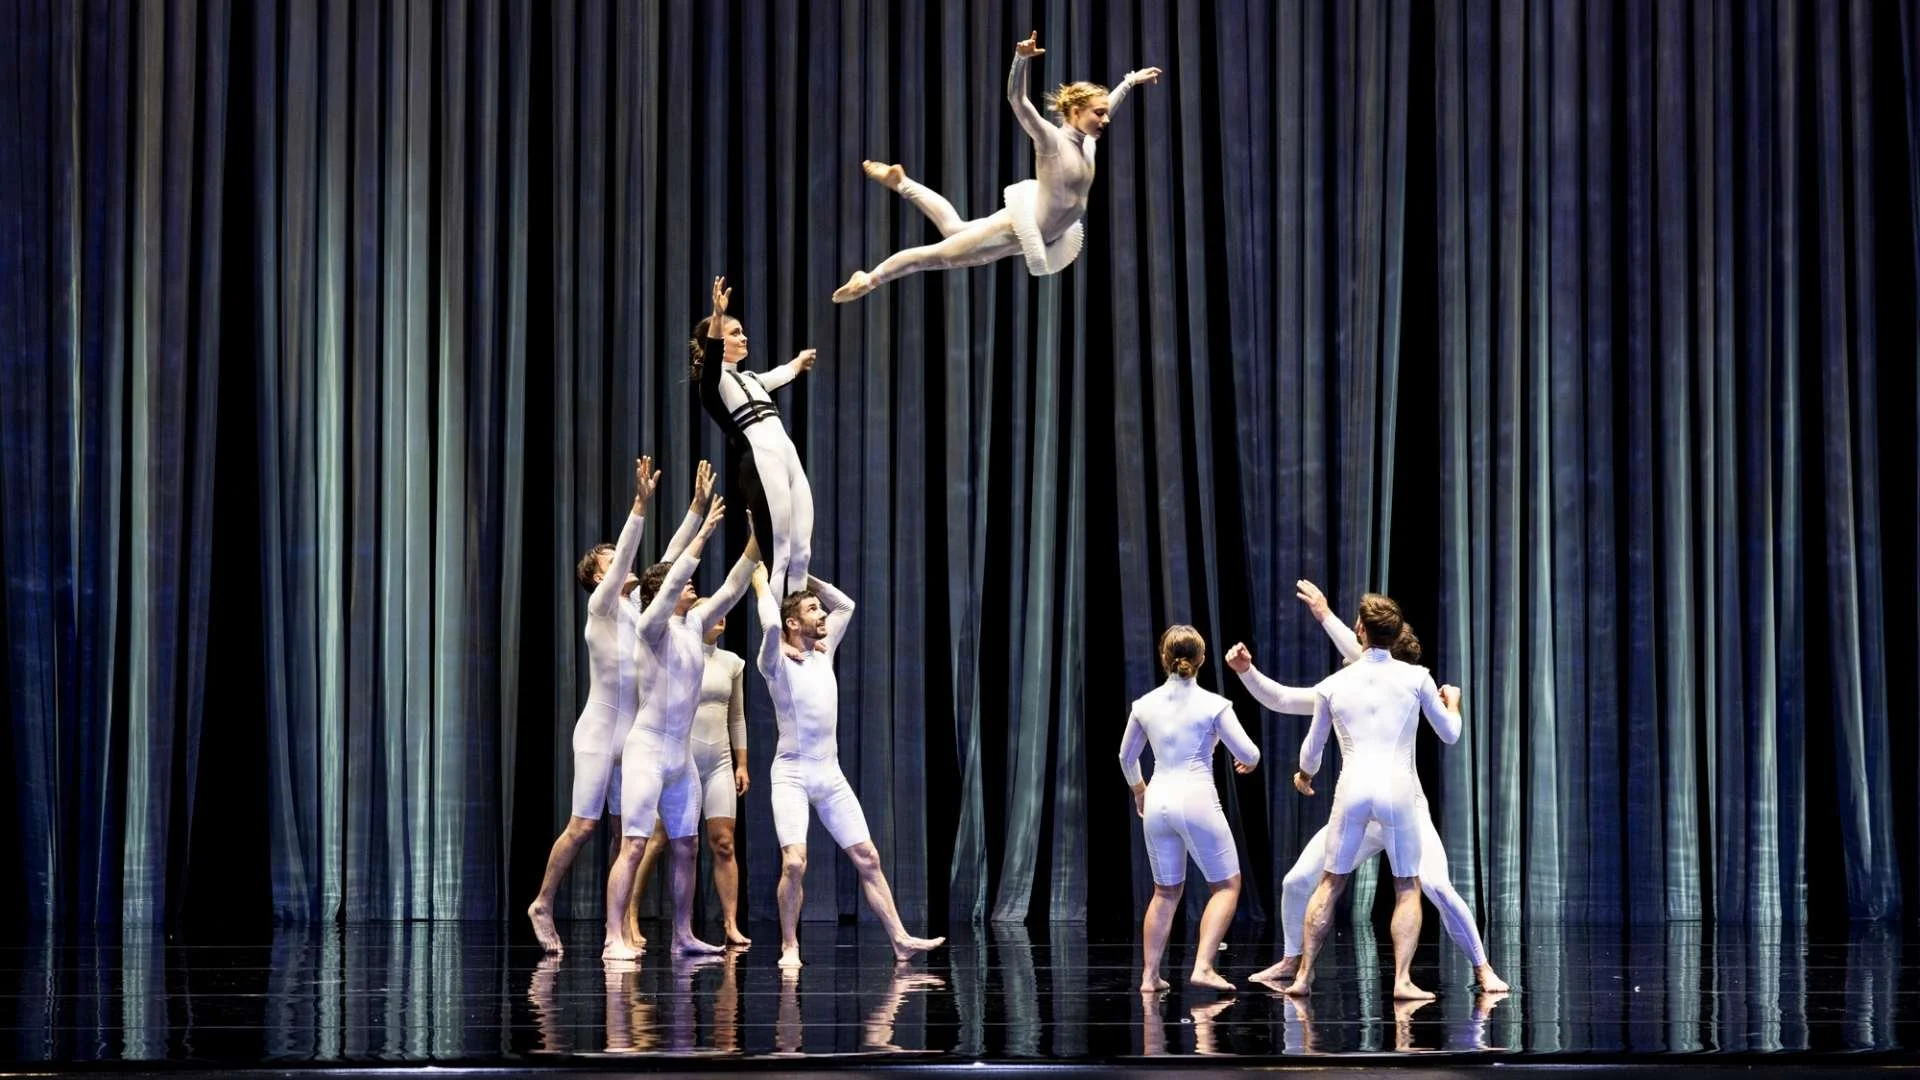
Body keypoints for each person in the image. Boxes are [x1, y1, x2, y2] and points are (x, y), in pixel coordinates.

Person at [1227, 582, 1507, 992]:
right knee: (1299, 881)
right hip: (1391, 800)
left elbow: (1305, 713)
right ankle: (1292, 960)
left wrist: (1322, 616)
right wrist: (1454, 703)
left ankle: (1483, 968)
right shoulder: (1382, 680)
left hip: (1375, 802)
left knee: (1434, 885)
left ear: (1365, 634)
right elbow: (1285, 698)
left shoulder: (1366, 683)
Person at [831, 32, 1161, 302]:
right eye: (1098, 114)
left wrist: (1130, 81)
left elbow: (1110, 105)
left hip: (1039, 228)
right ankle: (869, 278)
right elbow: (1018, 101)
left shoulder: (1087, 143)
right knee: (937, 256)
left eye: (1104, 113)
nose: (1105, 119)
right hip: (1014, 231)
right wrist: (1020, 60)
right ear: (1075, 112)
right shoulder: (1051, 141)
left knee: (954, 229)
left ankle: (902, 182)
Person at [749, 564, 945, 968]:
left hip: (830, 774)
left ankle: (900, 939)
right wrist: (763, 580)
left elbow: (845, 605)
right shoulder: (775, 663)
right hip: (791, 774)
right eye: (812, 610)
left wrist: (803, 575)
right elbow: (769, 627)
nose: (822, 614)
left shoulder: (824, 650)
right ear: (792, 623)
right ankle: (790, 945)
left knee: (868, 858)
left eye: (819, 609)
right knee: (794, 862)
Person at [602, 489, 757, 961]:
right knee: (633, 844)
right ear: (661, 595)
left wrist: (758, 541)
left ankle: (683, 934)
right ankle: (613, 937)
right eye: (684, 583)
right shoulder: (650, 629)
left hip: (680, 756)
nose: (693, 586)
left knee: (687, 846)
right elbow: (669, 586)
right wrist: (702, 531)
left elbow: (733, 587)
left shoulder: (693, 625)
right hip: (647, 750)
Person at [1283, 593, 1462, 1000]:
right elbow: (1449, 734)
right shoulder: (1417, 678)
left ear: (1360, 630)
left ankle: (1303, 976)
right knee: (1406, 885)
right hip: (1398, 789)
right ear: (1395, 634)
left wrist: (1304, 775)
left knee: (1330, 883)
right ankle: (1402, 981)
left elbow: (1312, 748)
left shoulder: (1334, 684)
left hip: (1353, 787)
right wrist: (1453, 704)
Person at [526, 456, 658, 955]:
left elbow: (668, 569)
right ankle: (542, 903)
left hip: (633, 736)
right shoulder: (600, 607)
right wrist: (639, 507)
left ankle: (617, 929)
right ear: (598, 576)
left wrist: (697, 518)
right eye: (611, 559)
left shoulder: (639, 611)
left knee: (628, 835)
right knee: (584, 826)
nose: (622, 561)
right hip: (600, 731)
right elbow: (625, 561)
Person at [1118, 625, 1260, 993]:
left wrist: (1139, 791)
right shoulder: (1213, 705)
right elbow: (1249, 753)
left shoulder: (1144, 705)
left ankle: (1149, 977)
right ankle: (1203, 967)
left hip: (1158, 800)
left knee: (1165, 892)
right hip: (1196, 798)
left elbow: (1126, 757)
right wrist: (1246, 761)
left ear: (1163, 658)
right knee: (1226, 886)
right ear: (1202, 659)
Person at [627, 612, 754, 948]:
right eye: (712, 612)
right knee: (657, 839)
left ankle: (730, 923)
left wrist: (742, 763)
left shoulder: (732, 663)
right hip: (681, 759)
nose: (721, 616)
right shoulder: (678, 655)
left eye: (723, 612)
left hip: (719, 762)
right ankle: (631, 914)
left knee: (724, 842)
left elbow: (737, 717)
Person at [693, 275, 817, 600]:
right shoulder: (713, 384)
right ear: (716, 340)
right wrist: (718, 316)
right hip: (761, 464)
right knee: (780, 555)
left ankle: (797, 624)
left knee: (802, 552)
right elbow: (713, 361)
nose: (744, 337)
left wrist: (798, 362)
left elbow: (778, 375)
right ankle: (778, 628)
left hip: (788, 459)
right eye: (735, 333)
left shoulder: (751, 379)